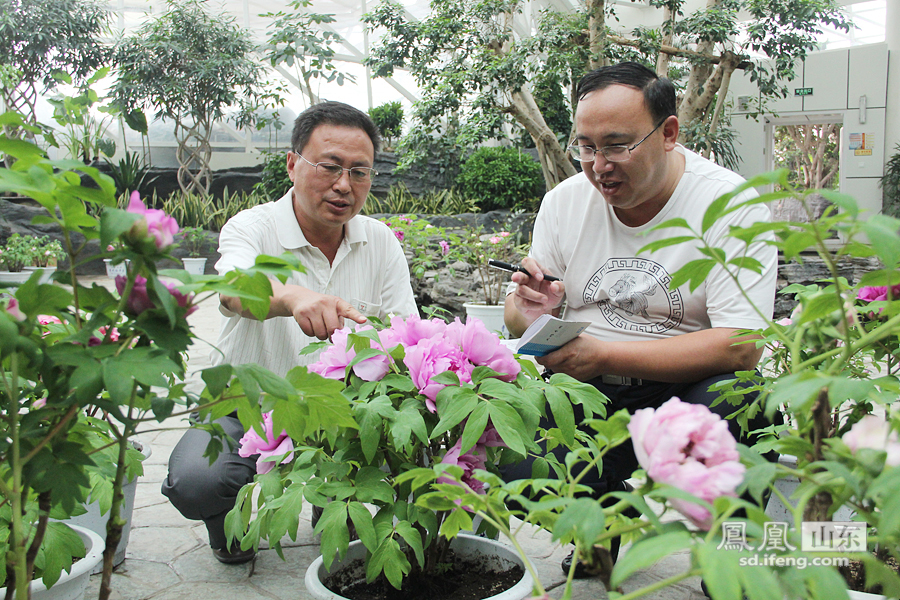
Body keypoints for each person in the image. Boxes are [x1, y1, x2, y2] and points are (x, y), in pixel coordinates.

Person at [502, 62, 779, 576]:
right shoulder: (564, 203)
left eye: (616, 145)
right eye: (584, 146)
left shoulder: (729, 204)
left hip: (686, 385)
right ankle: (601, 522)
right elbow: (517, 317)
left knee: (743, 401)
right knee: (507, 455)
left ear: (668, 133)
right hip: (585, 388)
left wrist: (606, 353)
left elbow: (743, 344)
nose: (597, 164)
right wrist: (533, 310)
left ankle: (732, 562)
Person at [162, 101, 418, 564]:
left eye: (360, 172)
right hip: (247, 408)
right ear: (292, 164)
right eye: (330, 167)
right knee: (199, 483)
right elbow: (233, 289)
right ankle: (228, 527)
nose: (344, 185)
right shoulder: (252, 228)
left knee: (362, 527)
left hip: (346, 415)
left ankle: (335, 509)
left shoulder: (379, 241)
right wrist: (294, 298)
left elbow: (404, 331)